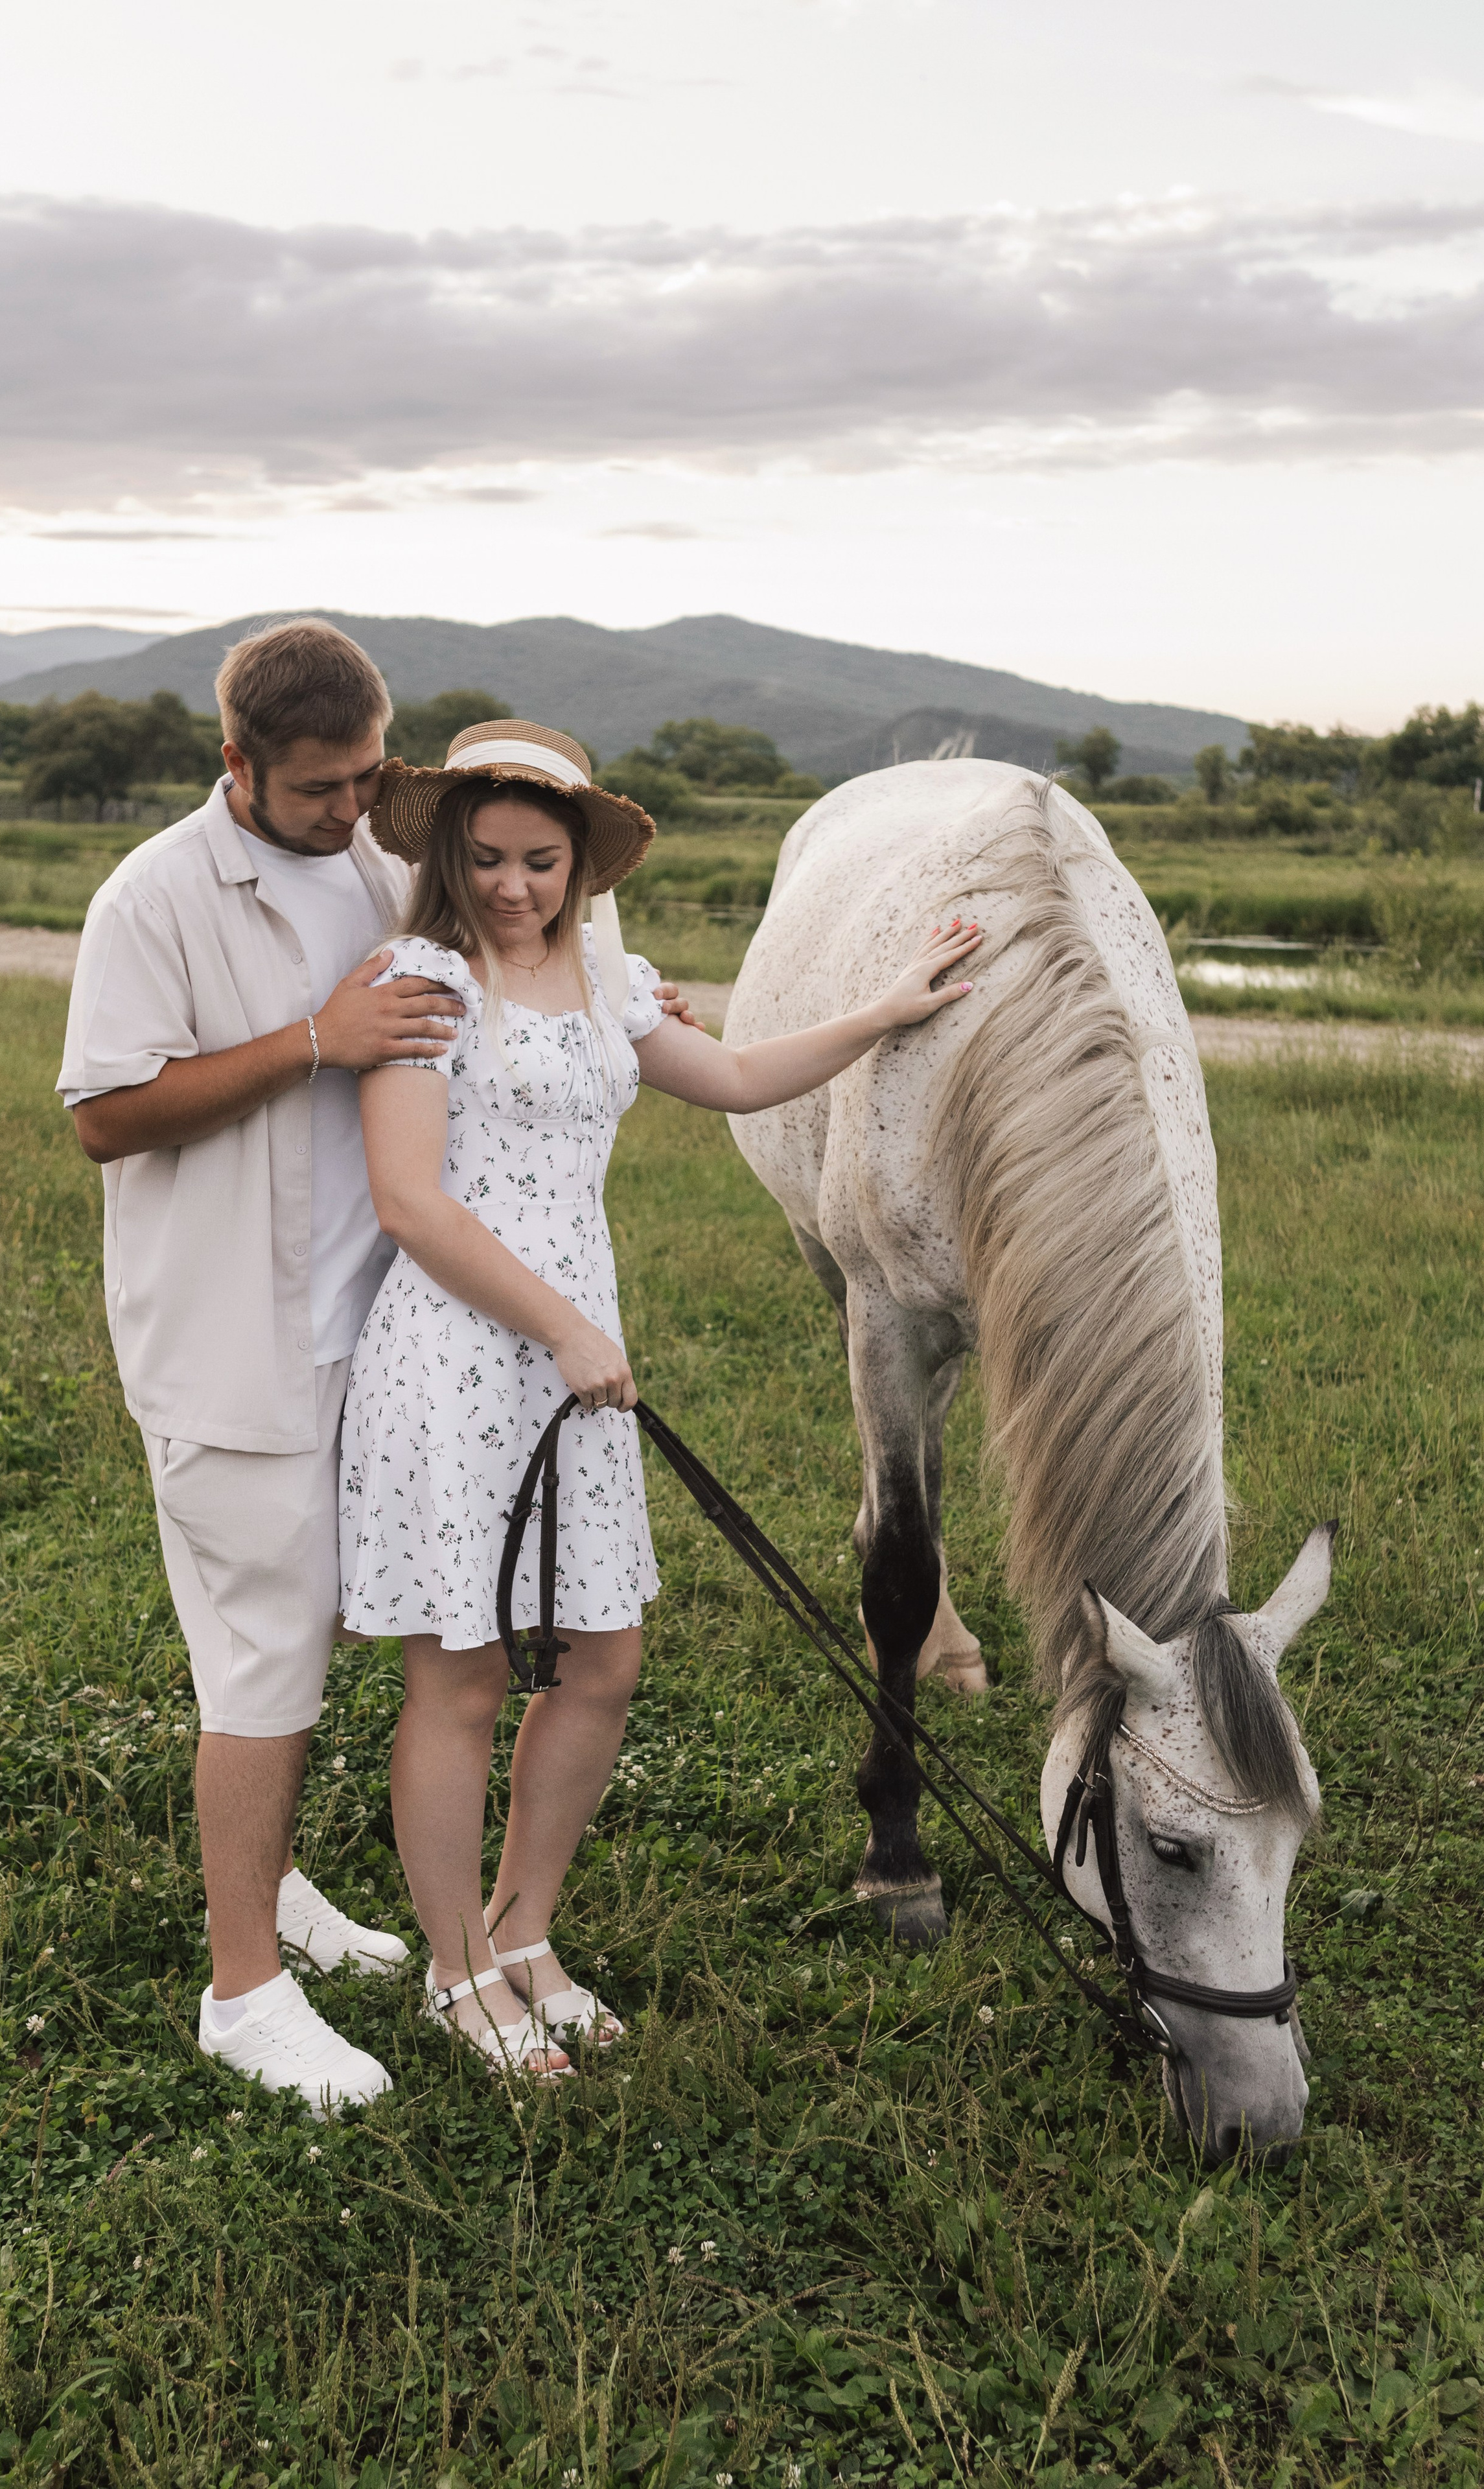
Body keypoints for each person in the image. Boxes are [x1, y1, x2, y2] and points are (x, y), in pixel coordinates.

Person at [56, 622, 701, 2115]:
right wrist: (311, 1039)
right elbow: (104, 1116)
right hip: (235, 1344)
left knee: (373, 1647)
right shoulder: (152, 894)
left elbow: (511, 969)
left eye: (371, 780)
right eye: (320, 788)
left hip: (388, 1339)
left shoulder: (366, 864)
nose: (355, 812)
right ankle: (243, 1993)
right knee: (266, 1670)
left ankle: (290, 1898)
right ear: (237, 766)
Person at [341, 719, 983, 2077]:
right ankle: (456, 1973)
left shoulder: (611, 983)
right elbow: (408, 1201)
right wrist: (564, 1326)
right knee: (459, 1677)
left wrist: (891, 1005)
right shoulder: (420, 979)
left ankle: (526, 1934)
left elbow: (741, 1076)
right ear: (449, 855)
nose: (513, 885)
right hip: (464, 1356)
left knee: (601, 1663)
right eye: (490, 858)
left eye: (539, 860)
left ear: (579, 867)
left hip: (577, 1366)